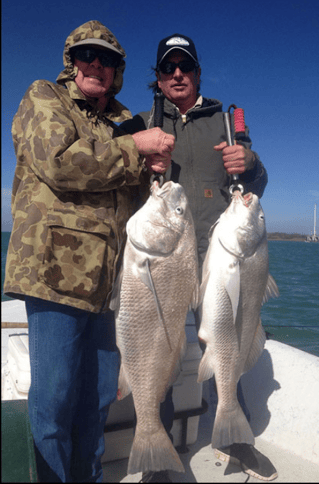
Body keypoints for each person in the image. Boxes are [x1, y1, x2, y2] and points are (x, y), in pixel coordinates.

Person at [3, 20, 174, 483]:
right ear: (71, 62)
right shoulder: (45, 97)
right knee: (55, 401)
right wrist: (136, 147)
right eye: (87, 56)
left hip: (111, 286)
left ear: (118, 71)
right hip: (53, 273)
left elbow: (138, 205)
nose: (97, 65)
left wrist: (153, 171)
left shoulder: (124, 120)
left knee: (98, 399)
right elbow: (63, 162)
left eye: (109, 60)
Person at [120, 34, 277, 483]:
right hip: (167, 261)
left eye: (184, 67)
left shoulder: (224, 122)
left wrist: (249, 159)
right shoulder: (142, 123)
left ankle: (236, 439)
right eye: (168, 68)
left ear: (197, 73)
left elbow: (256, 184)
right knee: (160, 349)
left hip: (220, 258)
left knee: (225, 346)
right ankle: (157, 455)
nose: (177, 75)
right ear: (157, 78)